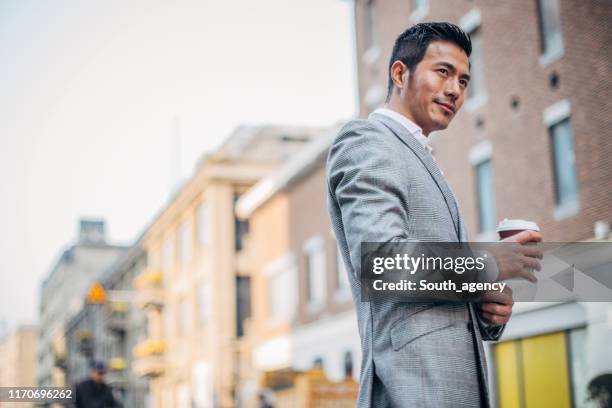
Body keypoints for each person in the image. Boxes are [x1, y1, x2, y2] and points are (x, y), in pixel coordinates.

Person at [326, 22, 542, 407]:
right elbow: (381, 265)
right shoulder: (368, 141)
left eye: (463, 80)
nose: (455, 89)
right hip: (412, 391)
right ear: (400, 73)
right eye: (443, 72)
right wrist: (488, 264)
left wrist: (485, 304)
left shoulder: (421, 157)